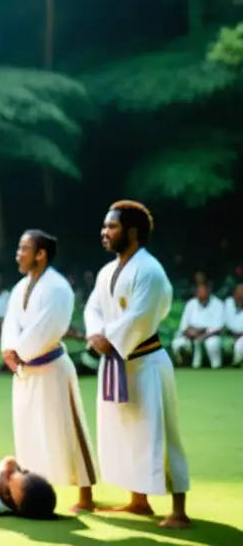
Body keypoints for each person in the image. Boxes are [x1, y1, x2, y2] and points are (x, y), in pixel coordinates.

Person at [84, 200, 190, 528]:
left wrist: (108, 338)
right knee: (127, 433)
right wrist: (96, 334)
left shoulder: (150, 271)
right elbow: (93, 309)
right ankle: (138, 501)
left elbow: (142, 316)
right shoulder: (106, 272)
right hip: (117, 363)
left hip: (147, 363)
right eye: (104, 226)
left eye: (111, 227)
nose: (104, 232)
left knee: (162, 433)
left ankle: (178, 510)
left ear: (131, 232)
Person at [0, 230, 98, 512]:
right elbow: (10, 323)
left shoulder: (58, 288)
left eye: (24, 248)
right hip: (25, 372)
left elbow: (49, 326)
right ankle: (31, 492)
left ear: (40, 254)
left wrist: (18, 351)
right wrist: (10, 350)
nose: (18, 254)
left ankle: (86, 496)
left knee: (68, 429)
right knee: (28, 431)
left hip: (53, 369)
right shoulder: (21, 287)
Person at [171, 283, 225, 369]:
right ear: (196, 293)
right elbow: (184, 325)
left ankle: (216, 367)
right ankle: (183, 366)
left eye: (204, 291)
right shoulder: (191, 303)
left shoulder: (217, 304)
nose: (202, 294)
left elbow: (219, 327)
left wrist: (203, 333)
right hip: (191, 334)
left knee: (212, 343)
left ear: (208, 291)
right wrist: (190, 332)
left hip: (210, 335)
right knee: (176, 344)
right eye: (199, 292)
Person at [225, 283, 243, 366]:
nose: (241, 294)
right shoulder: (227, 303)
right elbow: (221, 323)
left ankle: (236, 366)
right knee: (213, 342)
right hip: (228, 335)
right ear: (234, 293)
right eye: (239, 291)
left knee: (239, 344)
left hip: (241, 336)